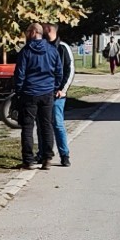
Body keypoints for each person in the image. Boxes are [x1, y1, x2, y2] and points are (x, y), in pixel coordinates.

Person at [10, 22, 60, 170]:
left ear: (33, 32)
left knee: (27, 127)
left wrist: (19, 90)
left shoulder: (26, 51)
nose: (26, 34)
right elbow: (59, 71)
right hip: (47, 92)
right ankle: (47, 158)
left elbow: (20, 74)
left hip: (29, 92)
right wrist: (54, 87)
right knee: (46, 125)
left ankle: (28, 160)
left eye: (27, 31)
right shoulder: (52, 50)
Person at [45, 24, 75, 167]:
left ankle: (64, 154)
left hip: (58, 94)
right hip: (44, 92)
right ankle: (44, 154)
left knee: (58, 124)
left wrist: (63, 89)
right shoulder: (43, 46)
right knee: (43, 125)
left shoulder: (63, 47)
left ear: (51, 30)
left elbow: (70, 69)